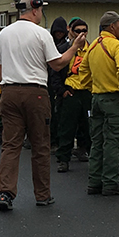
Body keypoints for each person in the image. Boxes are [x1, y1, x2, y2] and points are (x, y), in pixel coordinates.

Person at [0, 0, 85, 211]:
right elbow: (57, 64)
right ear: (34, 10)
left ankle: (6, 192)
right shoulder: (41, 33)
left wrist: (5, 89)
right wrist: (74, 47)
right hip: (35, 93)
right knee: (40, 145)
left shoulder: (4, 33)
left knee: (10, 145)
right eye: (41, 9)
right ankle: (42, 195)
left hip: (9, 90)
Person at [79, 11, 119, 197]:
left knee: (97, 141)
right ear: (111, 26)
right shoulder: (117, 46)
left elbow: (83, 71)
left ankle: (94, 182)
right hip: (113, 99)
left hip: (97, 98)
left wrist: (91, 87)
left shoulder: (93, 45)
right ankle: (110, 182)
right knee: (114, 141)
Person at [53, 18, 91, 173]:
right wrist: (62, 91)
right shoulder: (64, 49)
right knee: (67, 128)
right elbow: (55, 72)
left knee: (89, 127)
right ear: (72, 32)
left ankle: (85, 151)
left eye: (84, 31)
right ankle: (63, 158)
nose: (81, 34)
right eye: (78, 31)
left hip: (87, 93)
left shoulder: (93, 49)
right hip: (71, 92)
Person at [48, 17, 69, 152]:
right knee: (50, 114)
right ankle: (52, 140)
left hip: (62, 82)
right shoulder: (48, 43)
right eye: (57, 32)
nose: (59, 35)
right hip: (48, 82)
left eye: (61, 32)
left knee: (60, 116)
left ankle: (59, 141)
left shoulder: (67, 46)